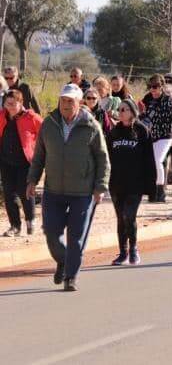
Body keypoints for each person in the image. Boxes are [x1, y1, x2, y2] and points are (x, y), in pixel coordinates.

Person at [27, 84, 110, 291]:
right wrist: (32, 180)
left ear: (79, 102)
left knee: (76, 236)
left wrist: (100, 187)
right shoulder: (49, 124)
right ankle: (64, 261)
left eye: (70, 101)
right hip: (53, 190)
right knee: (51, 233)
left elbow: (102, 158)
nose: (65, 104)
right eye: (63, 100)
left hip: (82, 192)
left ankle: (71, 276)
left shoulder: (91, 126)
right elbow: (39, 157)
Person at [107, 99, 157, 266]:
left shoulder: (142, 130)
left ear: (133, 112)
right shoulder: (114, 132)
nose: (121, 112)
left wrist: (151, 186)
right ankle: (123, 252)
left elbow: (150, 160)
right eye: (119, 109)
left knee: (129, 215)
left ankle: (134, 248)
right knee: (121, 218)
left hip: (135, 183)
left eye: (125, 109)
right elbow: (107, 157)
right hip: (117, 183)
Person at [0, 90, 42, 237]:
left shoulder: (31, 117)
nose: (9, 106)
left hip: (25, 162)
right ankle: (15, 226)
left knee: (25, 193)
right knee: (9, 193)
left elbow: (45, 133)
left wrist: (40, 152)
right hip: (6, 162)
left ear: (21, 103)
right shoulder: (2, 116)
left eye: (13, 103)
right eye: (7, 103)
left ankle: (30, 221)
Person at [142, 75, 172, 202]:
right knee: (152, 162)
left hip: (165, 136)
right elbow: (147, 118)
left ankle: (160, 191)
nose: (152, 89)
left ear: (161, 87)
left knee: (158, 161)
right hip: (152, 136)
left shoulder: (168, 100)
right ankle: (153, 191)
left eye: (155, 87)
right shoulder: (149, 100)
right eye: (150, 87)